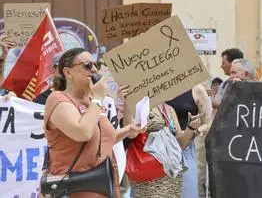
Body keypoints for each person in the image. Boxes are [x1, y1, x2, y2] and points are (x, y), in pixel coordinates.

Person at [43, 48, 142, 198]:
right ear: (68, 73)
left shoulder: (93, 103)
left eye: (96, 65)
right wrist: (97, 99)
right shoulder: (58, 99)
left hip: (104, 185)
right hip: (73, 189)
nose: (94, 69)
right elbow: (83, 132)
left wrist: (128, 129)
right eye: (87, 65)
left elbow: (103, 140)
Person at [166, 84, 212, 198]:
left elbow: (208, 123)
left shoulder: (197, 89)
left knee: (187, 192)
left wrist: (192, 132)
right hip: (160, 147)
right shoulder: (159, 86)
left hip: (185, 148)